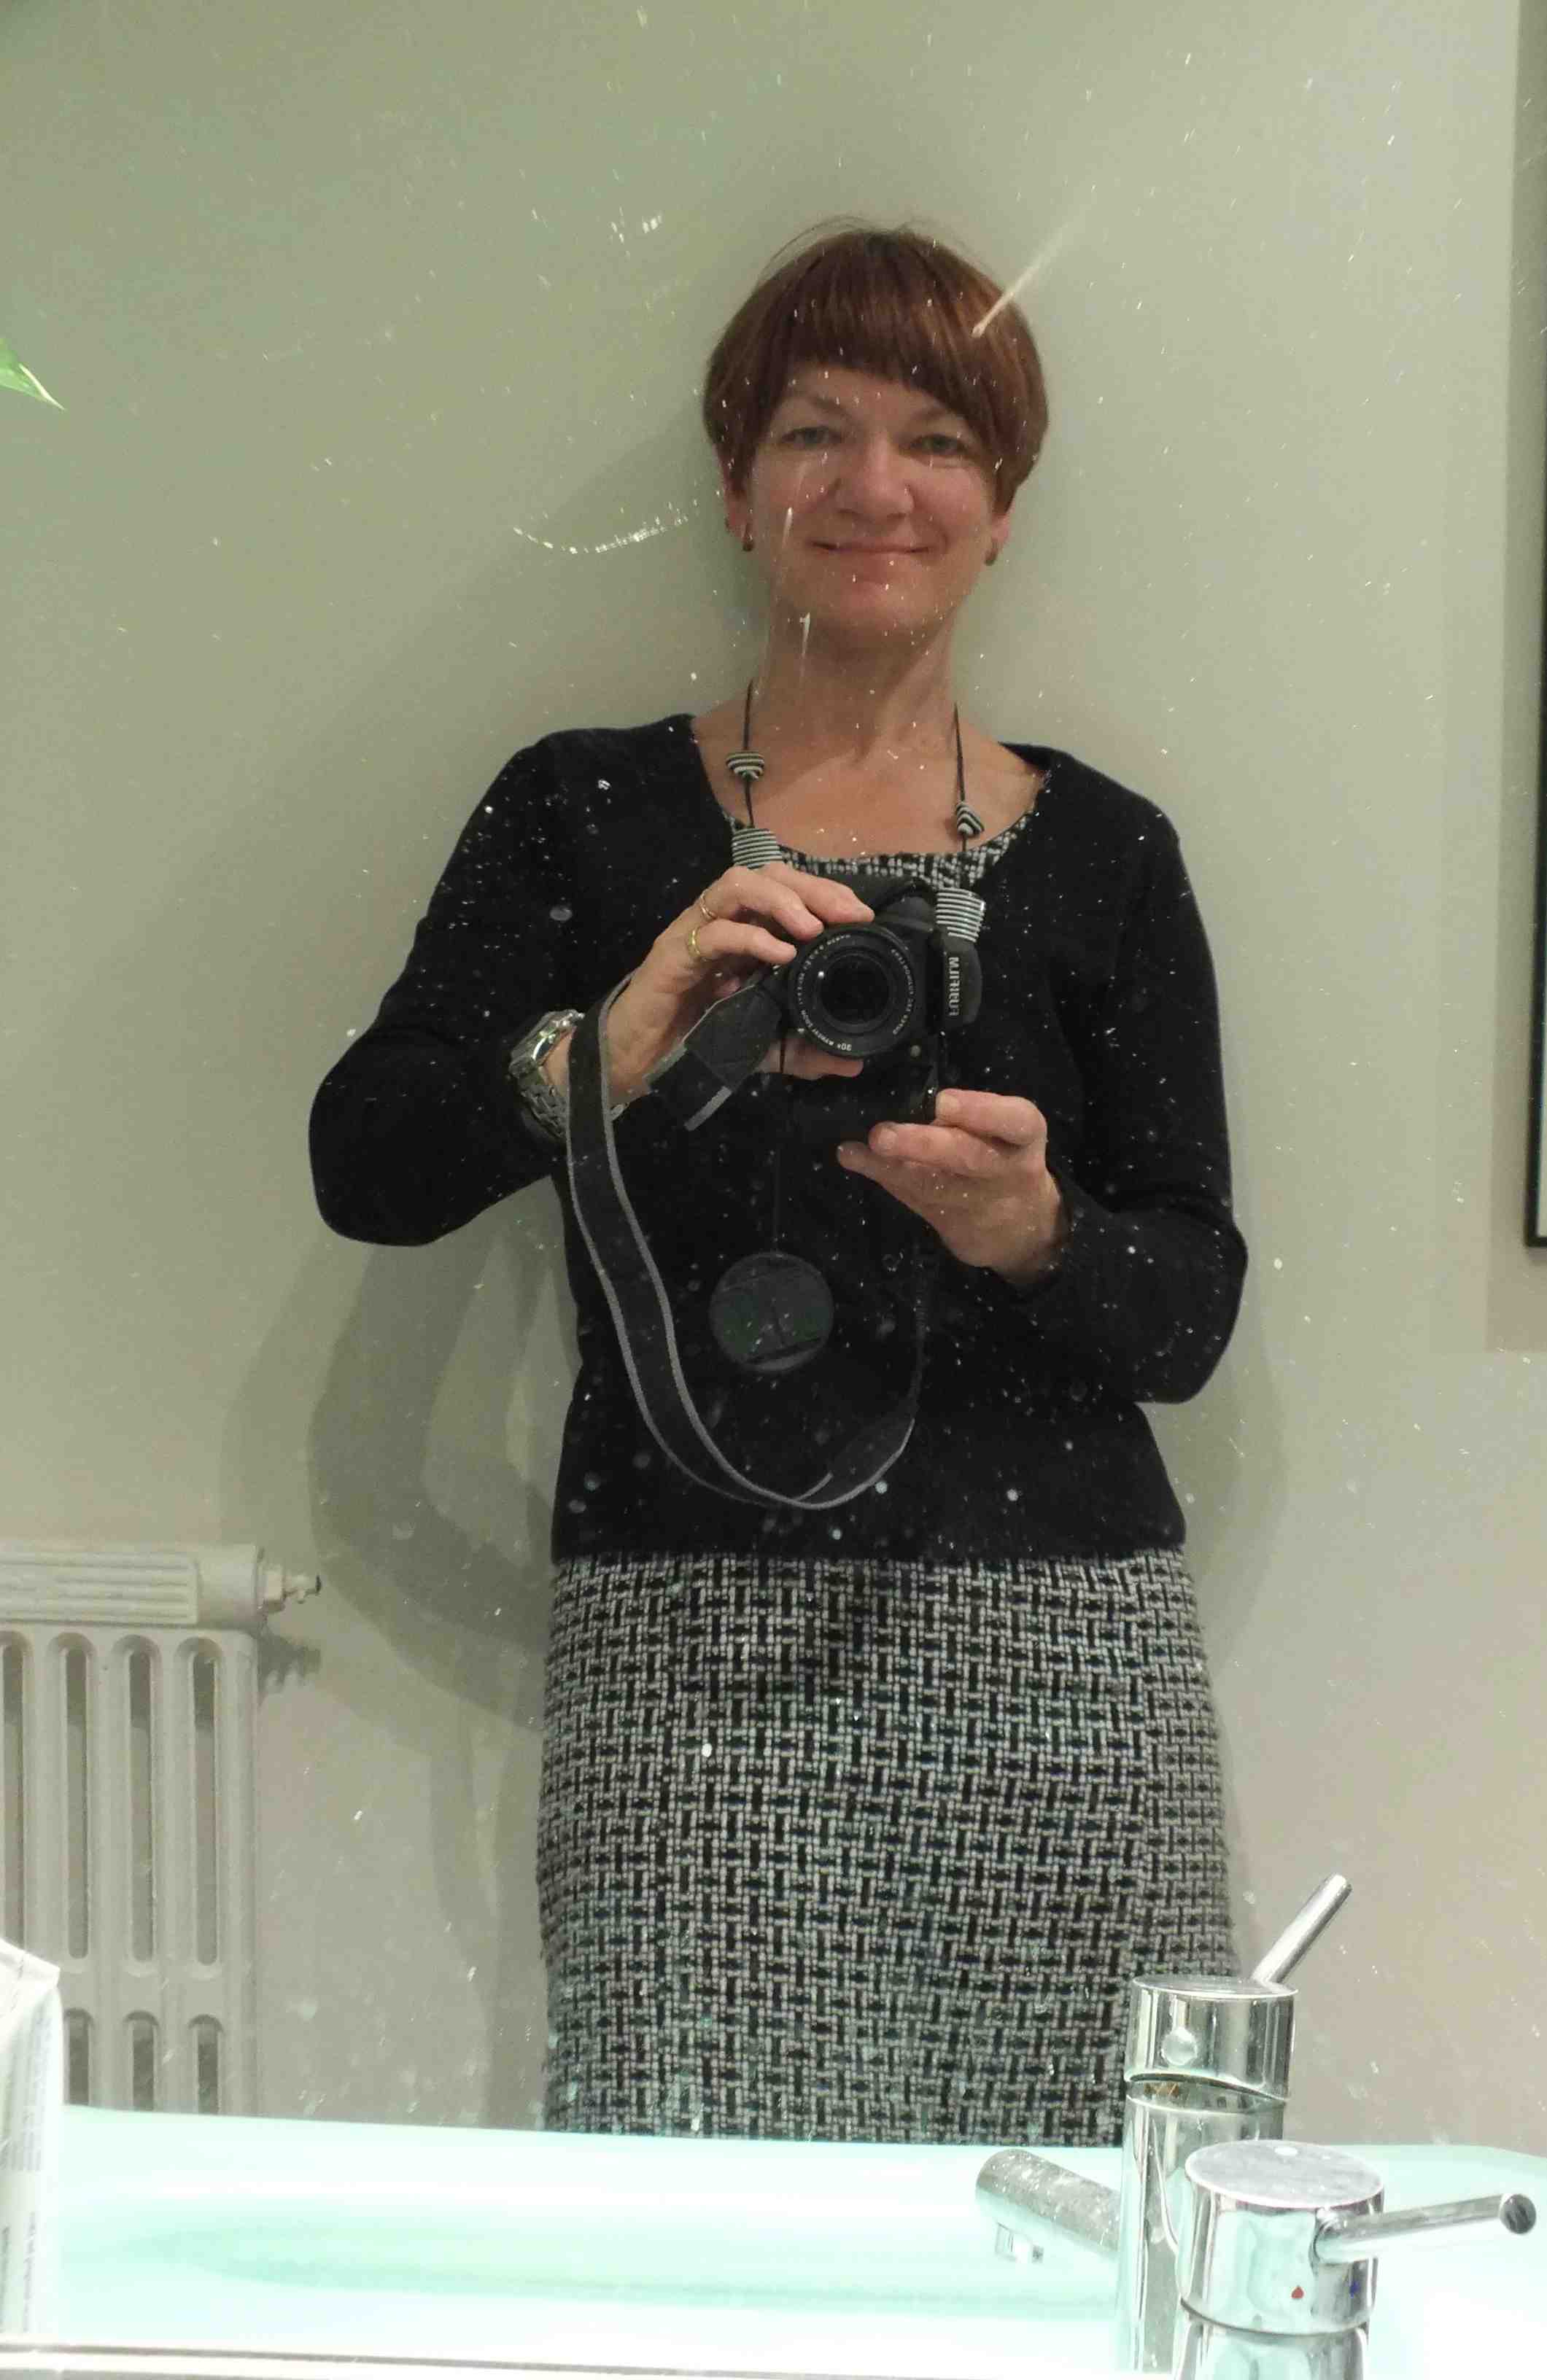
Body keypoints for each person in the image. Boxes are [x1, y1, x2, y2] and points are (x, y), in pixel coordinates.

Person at [309, 219, 1247, 2147]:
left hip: (1062, 1645)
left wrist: (1034, 1232)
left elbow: (1189, 1309)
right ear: (738, 492)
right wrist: (608, 1044)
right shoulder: (584, 813)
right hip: (688, 1640)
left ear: (1004, 508)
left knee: (1083, 2206)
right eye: (817, 432)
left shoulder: (1109, 855)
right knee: (691, 2210)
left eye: (941, 441)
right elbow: (369, 1162)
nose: (876, 487)